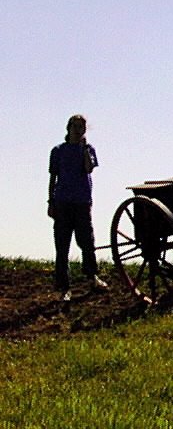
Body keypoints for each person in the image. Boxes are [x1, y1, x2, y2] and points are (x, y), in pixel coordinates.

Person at [48, 115, 108, 301]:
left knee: (87, 242)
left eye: (81, 127)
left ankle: (92, 277)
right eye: (74, 126)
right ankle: (64, 287)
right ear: (68, 128)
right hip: (63, 202)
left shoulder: (89, 149)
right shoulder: (58, 151)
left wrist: (83, 150)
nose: (77, 129)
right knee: (62, 245)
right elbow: (53, 178)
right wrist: (50, 202)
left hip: (82, 202)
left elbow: (89, 169)